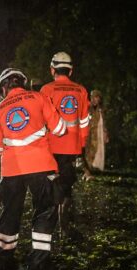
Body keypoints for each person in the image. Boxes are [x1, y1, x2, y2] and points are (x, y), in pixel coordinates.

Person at [0, 68, 66, 270]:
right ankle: (38, 264)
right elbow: (59, 129)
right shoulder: (39, 97)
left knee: (10, 213)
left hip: (12, 169)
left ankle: (3, 262)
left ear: (4, 88)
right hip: (41, 165)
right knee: (44, 211)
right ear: (22, 83)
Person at [40, 52, 90, 232]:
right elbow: (84, 121)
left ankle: (51, 213)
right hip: (72, 147)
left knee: (52, 180)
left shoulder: (46, 90)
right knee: (67, 181)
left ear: (52, 69)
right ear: (71, 70)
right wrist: (82, 145)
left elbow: (41, 121)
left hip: (51, 146)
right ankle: (64, 215)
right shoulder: (81, 91)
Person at [83, 89, 109, 180]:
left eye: (96, 97)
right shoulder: (87, 108)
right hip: (87, 134)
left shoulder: (101, 110)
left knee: (95, 152)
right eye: (93, 97)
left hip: (97, 134)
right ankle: (87, 173)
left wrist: (105, 133)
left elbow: (104, 122)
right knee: (87, 153)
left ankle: (89, 171)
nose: (94, 99)